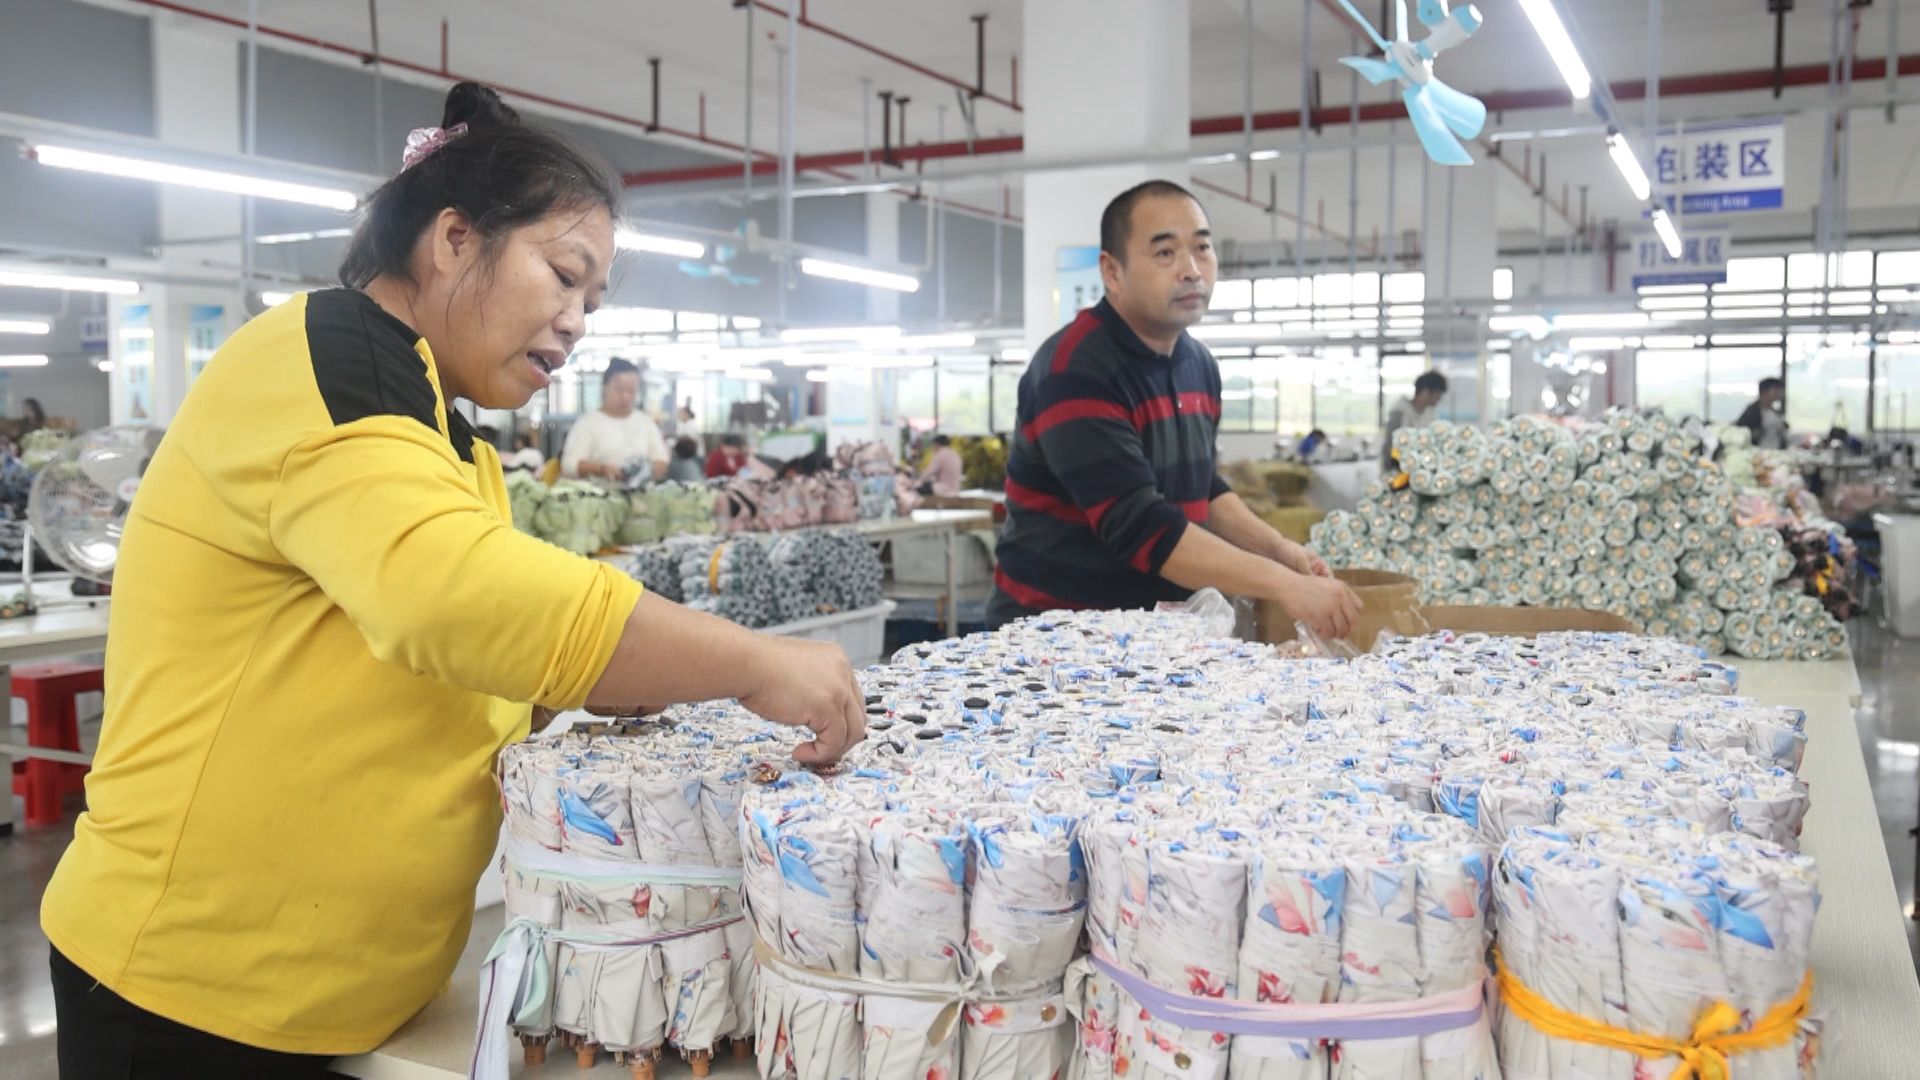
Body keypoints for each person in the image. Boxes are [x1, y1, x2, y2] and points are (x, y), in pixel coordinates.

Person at [39, 82, 864, 1079]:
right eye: (564, 276)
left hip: (338, 996)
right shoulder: (331, 355)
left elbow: (475, 662)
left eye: (593, 302)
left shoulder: (445, 436)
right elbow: (454, 598)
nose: (576, 323)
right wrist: (747, 664)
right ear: (454, 239)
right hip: (191, 995)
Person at [988, 179, 1359, 638]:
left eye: (1202, 248)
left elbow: (1201, 486)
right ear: (1112, 272)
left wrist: (1279, 549)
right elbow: (1142, 527)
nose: (1191, 269)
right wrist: (1283, 585)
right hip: (1055, 641)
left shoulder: (1197, 364)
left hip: (1157, 637)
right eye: (1165, 253)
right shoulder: (1075, 369)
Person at [560, 358, 669, 480]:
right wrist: (600, 469)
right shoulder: (587, 424)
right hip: (599, 495)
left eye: (631, 391)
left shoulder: (645, 423)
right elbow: (569, 464)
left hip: (639, 495)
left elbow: (661, 460)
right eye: (620, 390)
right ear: (605, 387)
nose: (625, 396)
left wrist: (645, 470)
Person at [1382, 371, 1447, 472]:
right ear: (1425, 392)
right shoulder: (1400, 411)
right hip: (1398, 469)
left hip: (1420, 469)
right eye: (1437, 394)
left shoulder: (1429, 413)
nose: (1439, 399)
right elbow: (1391, 445)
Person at [1736, 377, 1789, 450]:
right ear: (1764, 391)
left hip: (1776, 452)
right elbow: (1741, 431)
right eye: (1775, 390)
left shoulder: (1775, 411)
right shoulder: (1753, 411)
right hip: (1758, 452)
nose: (1779, 393)